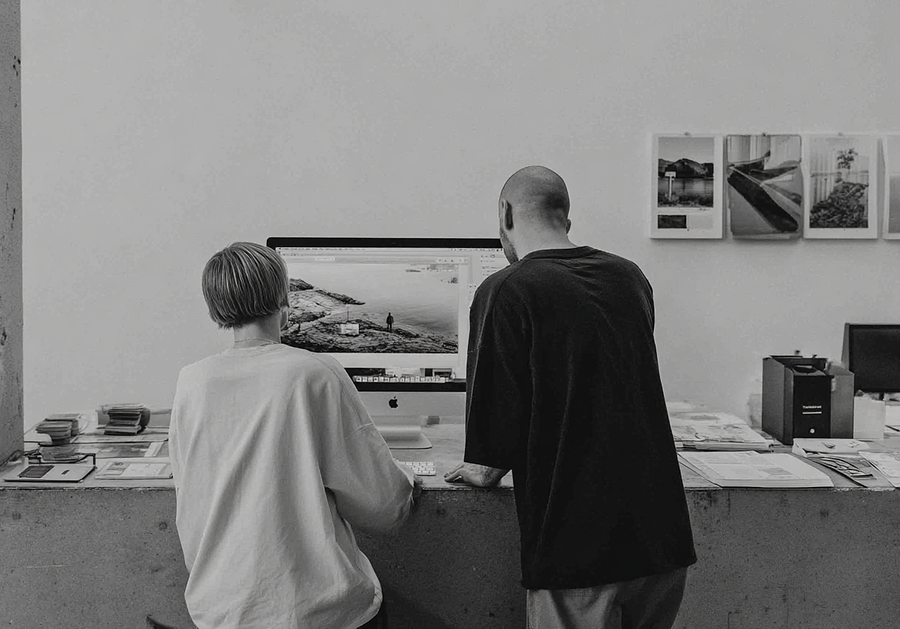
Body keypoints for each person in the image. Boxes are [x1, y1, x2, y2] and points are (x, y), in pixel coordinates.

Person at [444, 166, 696, 629]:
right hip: (662, 541)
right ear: (567, 218)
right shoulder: (629, 277)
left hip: (580, 547)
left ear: (505, 214)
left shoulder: (506, 288)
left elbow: (495, 426)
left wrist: (483, 467)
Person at [170, 241, 418, 629]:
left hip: (223, 610)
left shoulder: (192, 381)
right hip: (320, 612)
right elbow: (383, 506)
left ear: (214, 306)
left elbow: (191, 496)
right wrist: (407, 480)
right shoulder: (315, 373)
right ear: (283, 299)